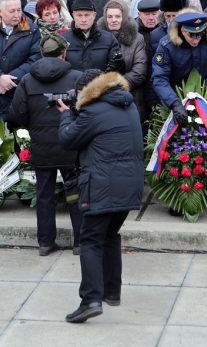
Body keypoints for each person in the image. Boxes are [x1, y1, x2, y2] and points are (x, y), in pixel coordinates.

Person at [57, 69, 143, 323]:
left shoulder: (92, 112)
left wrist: (66, 116)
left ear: (88, 91)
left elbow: (67, 139)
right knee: (110, 235)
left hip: (103, 185)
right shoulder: (129, 106)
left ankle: (90, 300)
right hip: (129, 185)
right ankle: (112, 291)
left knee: (91, 240)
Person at [8, 33, 83, 255]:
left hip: (41, 146)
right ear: (64, 53)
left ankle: (45, 242)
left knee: (44, 194)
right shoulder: (77, 78)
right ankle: (80, 242)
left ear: (42, 54)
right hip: (70, 145)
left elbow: (16, 115)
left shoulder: (27, 80)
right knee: (75, 193)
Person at [152, 12, 207, 126]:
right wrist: (174, 103)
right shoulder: (167, 44)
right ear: (183, 31)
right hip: (175, 98)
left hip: (205, 98)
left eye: (199, 35)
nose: (196, 40)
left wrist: (204, 97)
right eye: (192, 35)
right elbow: (159, 78)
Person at [98, 0, 148, 117]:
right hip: (102, 97)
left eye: (117, 16)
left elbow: (139, 72)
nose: (113, 20)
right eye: (110, 17)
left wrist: (114, 85)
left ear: (124, 17)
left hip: (131, 96)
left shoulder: (137, 39)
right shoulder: (97, 38)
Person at [63, 0, 122, 72]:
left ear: (94, 15)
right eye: (79, 15)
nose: (83, 19)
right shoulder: (64, 39)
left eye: (87, 15)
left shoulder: (109, 39)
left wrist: (119, 64)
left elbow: (118, 71)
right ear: (73, 16)